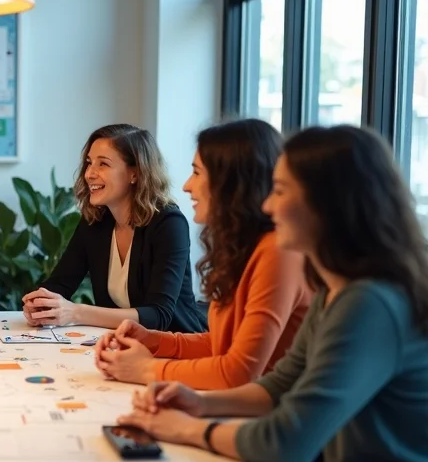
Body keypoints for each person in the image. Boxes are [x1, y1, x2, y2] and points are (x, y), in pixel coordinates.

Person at [117, 125, 428, 462]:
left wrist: (186, 429)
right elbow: (280, 384)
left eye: (280, 191)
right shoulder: (335, 287)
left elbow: (288, 441)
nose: (268, 204)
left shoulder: (369, 301)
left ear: (327, 204)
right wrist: (200, 404)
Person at [95, 119, 310, 388]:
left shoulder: (278, 253)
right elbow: (219, 343)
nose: (186, 186)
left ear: (230, 183)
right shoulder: (243, 247)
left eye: (196, 173)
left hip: (267, 417)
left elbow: (239, 372)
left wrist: (148, 369)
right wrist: (151, 340)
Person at [22, 124, 207, 332]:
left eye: (103, 164)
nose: (90, 173)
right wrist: (40, 303)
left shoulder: (169, 223)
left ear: (135, 173)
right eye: (89, 163)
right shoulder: (96, 220)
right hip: (121, 344)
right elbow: (60, 284)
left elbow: (158, 315)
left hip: (176, 346)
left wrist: (75, 312)